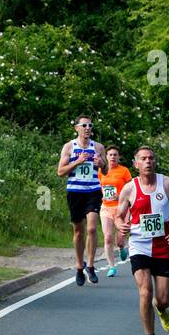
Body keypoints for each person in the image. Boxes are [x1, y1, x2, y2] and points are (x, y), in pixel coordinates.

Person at [113, 146, 169, 335]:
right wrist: (120, 225)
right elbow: (118, 215)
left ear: (155, 162)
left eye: (151, 158)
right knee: (145, 290)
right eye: (143, 159)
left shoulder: (168, 183)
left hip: (164, 246)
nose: (148, 161)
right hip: (139, 245)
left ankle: (161, 309)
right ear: (136, 164)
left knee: (162, 299)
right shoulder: (129, 188)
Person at [58, 114, 106, 285]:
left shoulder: (98, 147)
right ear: (76, 128)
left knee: (92, 229)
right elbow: (61, 171)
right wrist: (77, 162)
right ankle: (80, 267)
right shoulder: (69, 147)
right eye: (84, 125)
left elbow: (105, 170)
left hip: (93, 191)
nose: (87, 128)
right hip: (75, 192)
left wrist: (101, 164)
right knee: (78, 231)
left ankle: (91, 266)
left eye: (90, 125)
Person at [98, 146, 132, 278]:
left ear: (118, 157)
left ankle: (122, 248)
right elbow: (98, 186)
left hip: (121, 208)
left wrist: (121, 196)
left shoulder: (124, 171)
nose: (112, 157)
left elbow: (131, 188)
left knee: (119, 239)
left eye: (115, 155)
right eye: (110, 154)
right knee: (107, 238)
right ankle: (112, 267)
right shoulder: (101, 171)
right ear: (106, 157)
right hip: (106, 207)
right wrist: (100, 195)